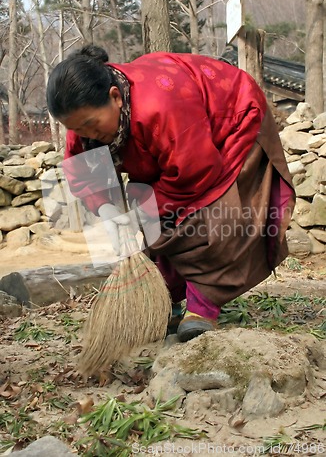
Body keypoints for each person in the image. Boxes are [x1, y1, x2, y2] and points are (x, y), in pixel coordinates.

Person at [46, 45, 295, 342]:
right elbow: (82, 168)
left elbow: (195, 173)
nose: (86, 134)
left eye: (90, 126)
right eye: (76, 129)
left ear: (115, 97)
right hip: (171, 149)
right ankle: (167, 300)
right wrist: (107, 210)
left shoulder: (160, 102)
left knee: (208, 215)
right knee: (153, 219)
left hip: (231, 122)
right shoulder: (82, 116)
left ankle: (203, 306)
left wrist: (140, 213)